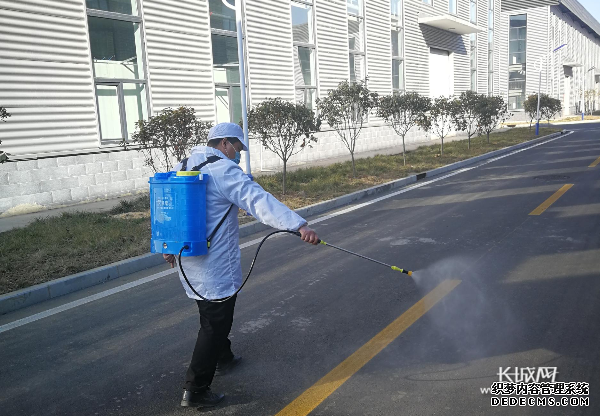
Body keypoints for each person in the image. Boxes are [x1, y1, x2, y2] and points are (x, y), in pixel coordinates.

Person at [162, 122, 319, 409]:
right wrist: (299, 225)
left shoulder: (186, 162)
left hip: (189, 257)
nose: (238, 153)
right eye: (238, 147)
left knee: (209, 314)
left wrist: (169, 248)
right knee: (216, 321)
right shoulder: (223, 170)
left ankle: (224, 357)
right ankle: (195, 390)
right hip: (213, 263)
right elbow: (259, 201)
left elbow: (170, 207)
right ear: (223, 143)